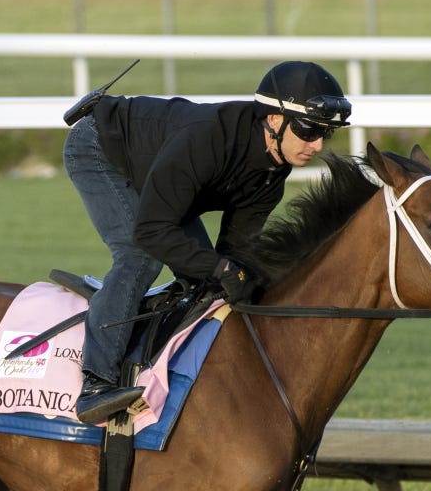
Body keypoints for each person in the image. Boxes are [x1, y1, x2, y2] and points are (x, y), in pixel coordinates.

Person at [63, 60, 352, 425]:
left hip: (158, 168)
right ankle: (96, 386)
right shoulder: (207, 141)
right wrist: (219, 266)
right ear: (275, 119)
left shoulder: (273, 172)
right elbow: (151, 231)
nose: (318, 144)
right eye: (309, 130)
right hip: (101, 149)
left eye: (326, 133)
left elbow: (236, 250)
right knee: (140, 258)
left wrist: (237, 273)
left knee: (210, 281)